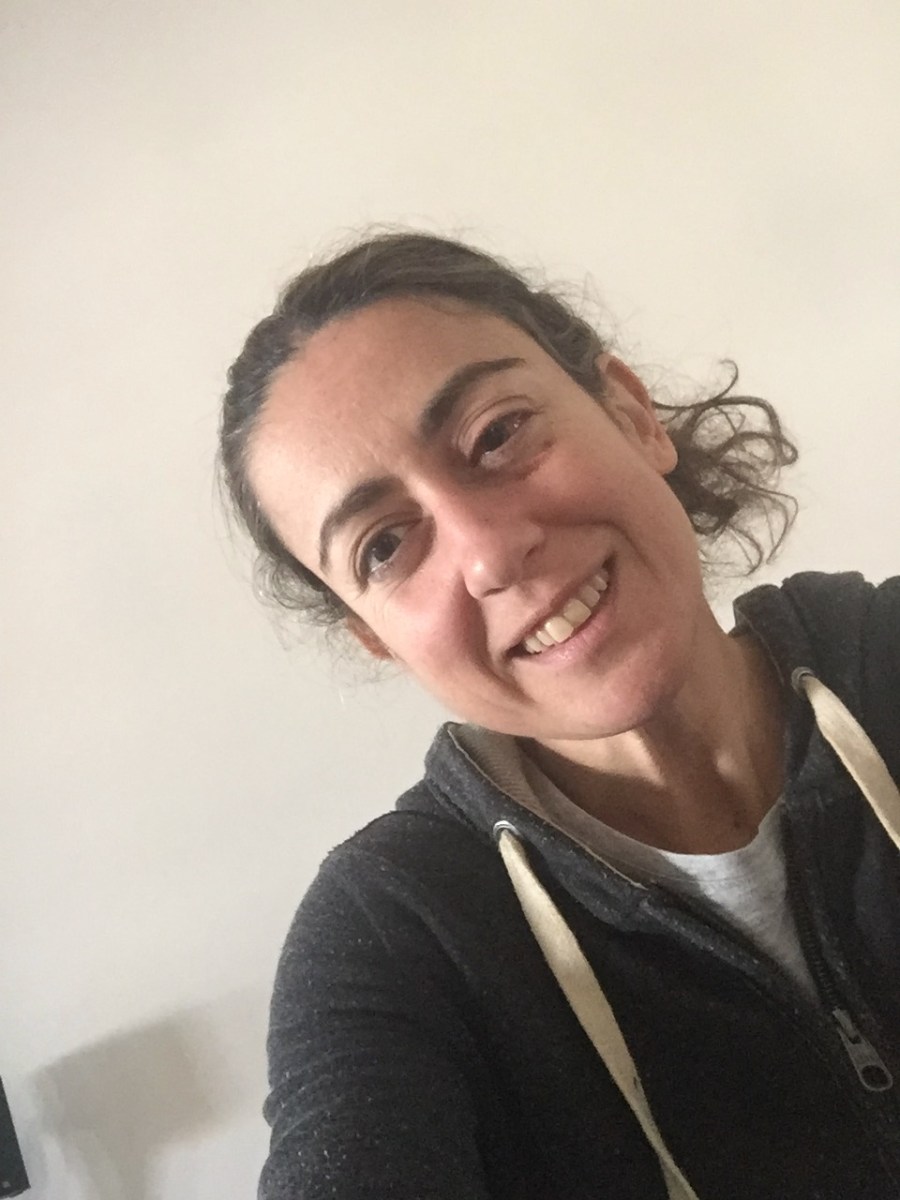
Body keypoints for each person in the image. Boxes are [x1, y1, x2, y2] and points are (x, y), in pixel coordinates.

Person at [218, 233, 900, 1199]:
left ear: (630, 413)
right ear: (375, 636)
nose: (491, 553)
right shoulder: (395, 936)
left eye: (497, 435)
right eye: (384, 546)